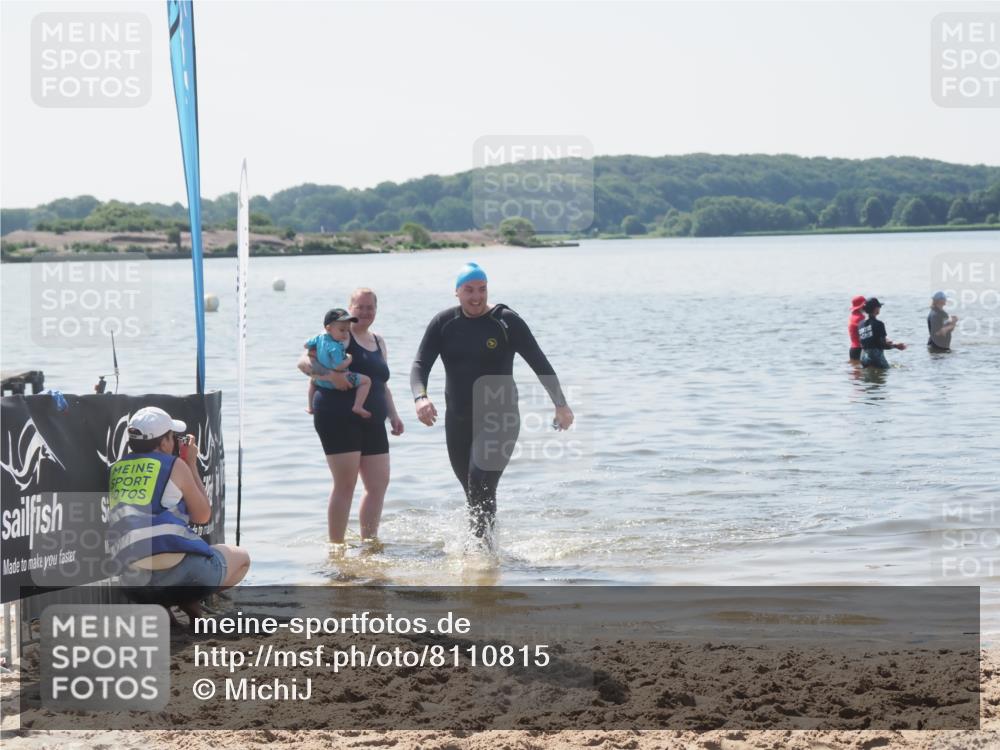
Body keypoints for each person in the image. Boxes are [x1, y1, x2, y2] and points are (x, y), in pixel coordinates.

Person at [410, 262, 574, 544]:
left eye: (482, 290)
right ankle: (487, 551)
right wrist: (420, 397)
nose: (476, 297)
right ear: (457, 292)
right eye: (469, 290)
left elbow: (539, 362)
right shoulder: (444, 323)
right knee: (476, 491)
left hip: (500, 419)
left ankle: (480, 557)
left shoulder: (506, 321)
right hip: (459, 421)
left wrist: (561, 404)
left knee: (479, 480)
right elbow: (419, 365)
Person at [110, 406, 250, 621]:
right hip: (180, 574)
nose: (174, 442)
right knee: (241, 558)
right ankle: (185, 598)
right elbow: (202, 516)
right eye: (172, 437)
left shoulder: (116, 469)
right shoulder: (174, 464)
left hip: (132, 584)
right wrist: (191, 464)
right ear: (164, 442)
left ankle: (169, 606)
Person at [298, 288, 404, 544]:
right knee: (346, 484)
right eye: (360, 307)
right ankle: (337, 548)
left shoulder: (379, 341)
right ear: (350, 310)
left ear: (376, 311)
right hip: (337, 416)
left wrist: (394, 415)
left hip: (372, 418)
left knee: (378, 484)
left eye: (370, 307)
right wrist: (330, 376)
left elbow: (382, 384)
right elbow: (303, 363)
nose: (365, 312)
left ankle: (369, 544)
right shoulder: (337, 336)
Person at [305, 308, 372, 418]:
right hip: (340, 379)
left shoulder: (318, 338)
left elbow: (306, 344)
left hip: (319, 381)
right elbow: (339, 366)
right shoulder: (335, 346)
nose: (345, 334)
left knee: (312, 382)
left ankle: (310, 407)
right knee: (366, 381)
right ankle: (358, 406)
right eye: (342, 330)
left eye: (347, 330)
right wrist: (349, 358)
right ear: (328, 328)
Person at [858, 297, 907, 369]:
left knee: (868, 379)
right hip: (875, 358)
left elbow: (869, 338)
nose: (880, 308)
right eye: (879, 307)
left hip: (863, 357)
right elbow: (883, 345)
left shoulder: (860, 324)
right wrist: (896, 346)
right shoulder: (879, 324)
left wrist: (885, 340)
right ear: (875, 309)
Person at [848, 294, 866, 362]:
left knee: (855, 370)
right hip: (860, 349)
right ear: (862, 306)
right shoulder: (860, 318)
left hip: (853, 348)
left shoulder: (852, 316)